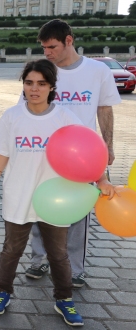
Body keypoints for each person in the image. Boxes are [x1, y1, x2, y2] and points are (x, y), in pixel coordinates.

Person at [0, 59, 115, 326]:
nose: (34, 89)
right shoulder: (12, 115)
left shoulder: (64, 116)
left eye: (41, 84)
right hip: (19, 193)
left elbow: (86, 150)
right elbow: (3, 151)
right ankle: (2, 292)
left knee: (58, 253)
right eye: (29, 83)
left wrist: (101, 179)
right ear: (23, 86)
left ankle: (64, 299)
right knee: (11, 250)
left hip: (56, 199)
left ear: (51, 87)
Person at [26, 19, 121, 289]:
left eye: (52, 47)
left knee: (79, 212)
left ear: (69, 40)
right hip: (44, 151)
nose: (47, 53)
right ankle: (38, 259)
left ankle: (75, 268)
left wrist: (108, 145)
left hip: (83, 156)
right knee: (39, 206)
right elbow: (28, 108)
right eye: (44, 48)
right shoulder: (44, 71)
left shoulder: (97, 70)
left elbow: (104, 108)